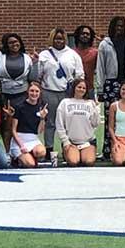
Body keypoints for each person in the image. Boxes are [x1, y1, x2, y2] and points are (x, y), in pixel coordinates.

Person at [96, 16, 125, 160]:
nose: (119, 28)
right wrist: (100, 89)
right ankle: (108, 150)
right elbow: (100, 67)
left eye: (122, 26)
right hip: (111, 83)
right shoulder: (105, 44)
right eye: (117, 26)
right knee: (112, 117)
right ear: (112, 27)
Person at [39, 28, 85, 162]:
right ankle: (49, 149)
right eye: (56, 38)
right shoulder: (44, 55)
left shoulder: (72, 54)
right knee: (50, 122)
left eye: (61, 38)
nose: (59, 41)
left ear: (66, 39)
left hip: (67, 92)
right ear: (52, 39)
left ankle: (68, 148)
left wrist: (76, 89)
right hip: (49, 91)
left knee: (67, 122)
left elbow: (79, 74)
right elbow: (39, 74)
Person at [0, 33, 39, 107]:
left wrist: (35, 63)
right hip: (1, 95)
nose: (14, 44)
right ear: (6, 44)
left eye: (16, 42)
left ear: (20, 43)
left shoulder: (27, 58)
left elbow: (32, 78)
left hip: (21, 95)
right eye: (10, 43)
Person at [56, 79, 101, 167]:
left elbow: (95, 123)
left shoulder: (90, 103)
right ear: (74, 88)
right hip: (71, 142)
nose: (81, 89)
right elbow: (59, 124)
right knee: (73, 162)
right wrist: (66, 142)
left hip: (87, 142)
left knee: (89, 162)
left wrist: (96, 110)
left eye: (84, 88)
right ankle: (71, 153)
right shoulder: (65, 103)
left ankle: (84, 154)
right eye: (79, 87)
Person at [7, 81, 49, 168]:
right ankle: (16, 158)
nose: (34, 93)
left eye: (37, 91)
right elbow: (13, 130)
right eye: (32, 91)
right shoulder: (19, 107)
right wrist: (21, 146)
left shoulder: (41, 108)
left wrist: (42, 118)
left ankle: (31, 155)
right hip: (19, 140)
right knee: (30, 164)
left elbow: (39, 131)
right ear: (28, 92)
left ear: (40, 93)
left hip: (33, 139)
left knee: (41, 152)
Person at [72, 25, 99, 99]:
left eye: (88, 34)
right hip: (74, 89)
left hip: (89, 89)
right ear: (78, 35)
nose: (85, 35)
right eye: (83, 33)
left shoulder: (95, 53)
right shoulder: (71, 52)